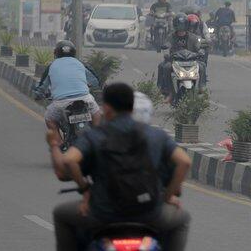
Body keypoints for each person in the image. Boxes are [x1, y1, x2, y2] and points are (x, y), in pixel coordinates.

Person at [47, 83, 192, 251]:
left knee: (61, 214)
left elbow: (69, 161)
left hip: (103, 214)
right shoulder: (156, 135)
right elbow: (184, 162)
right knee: (181, 219)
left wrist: (85, 188)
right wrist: (166, 197)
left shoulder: (94, 135)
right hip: (148, 214)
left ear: (107, 108)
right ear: (131, 107)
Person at [34, 40, 102, 145]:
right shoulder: (80, 63)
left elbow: (42, 88)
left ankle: (60, 144)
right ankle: (97, 140)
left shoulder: (51, 66)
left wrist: (38, 95)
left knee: (49, 118)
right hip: (85, 98)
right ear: (74, 53)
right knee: (97, 114)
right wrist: (88, 85)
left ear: (55, 53)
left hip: (61, 103)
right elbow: (95, 81)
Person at [157, 13, 204, 102]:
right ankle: (168, 92)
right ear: (175, 25)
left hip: (191, 61)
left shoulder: (193, 37)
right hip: (175, 61)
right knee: (165, 67)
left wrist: (201, 51)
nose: (181, 27)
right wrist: (166, 49)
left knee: (202, 66)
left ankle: (201, 87)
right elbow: (167, 44)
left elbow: (198, 46)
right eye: (179, 25)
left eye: (183, 25)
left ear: (187, 25)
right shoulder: (171, 36)